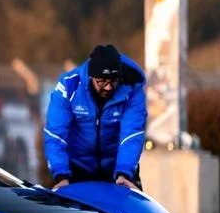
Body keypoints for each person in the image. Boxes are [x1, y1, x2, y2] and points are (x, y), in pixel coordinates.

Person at [43, 44, 147, 191]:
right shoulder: (69, 86)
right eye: (102, 81)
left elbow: (132, 134)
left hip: (118, 169)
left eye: (113, 81)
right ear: (91, 76)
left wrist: (124, 172)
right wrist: (61, 174)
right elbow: (55, 135)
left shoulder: (133, 88)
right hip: (76, 169)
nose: (108, 87)